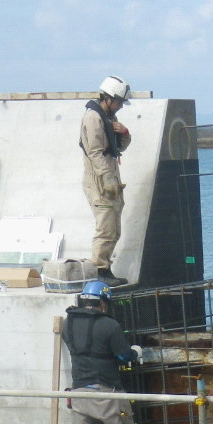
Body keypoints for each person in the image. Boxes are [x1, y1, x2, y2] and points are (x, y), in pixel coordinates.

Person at [62, 280, 148, 424]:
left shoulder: (67, 324)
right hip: (107, 391)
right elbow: (123, 356)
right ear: (102, 302)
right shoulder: (109, 325)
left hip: (79, 391)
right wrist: (136, 352)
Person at [80, 75, 133, 287]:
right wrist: (107, 179)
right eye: (118, 102)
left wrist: (124, 133)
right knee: (105, 228)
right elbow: (94, 153)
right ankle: (99, 270)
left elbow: (119, 148)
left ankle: (105, 269)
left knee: (113, 229)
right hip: (99, 181)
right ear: (108, 98)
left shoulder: (108, 118)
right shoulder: (93, 118)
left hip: (110, 177)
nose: (120, 106)